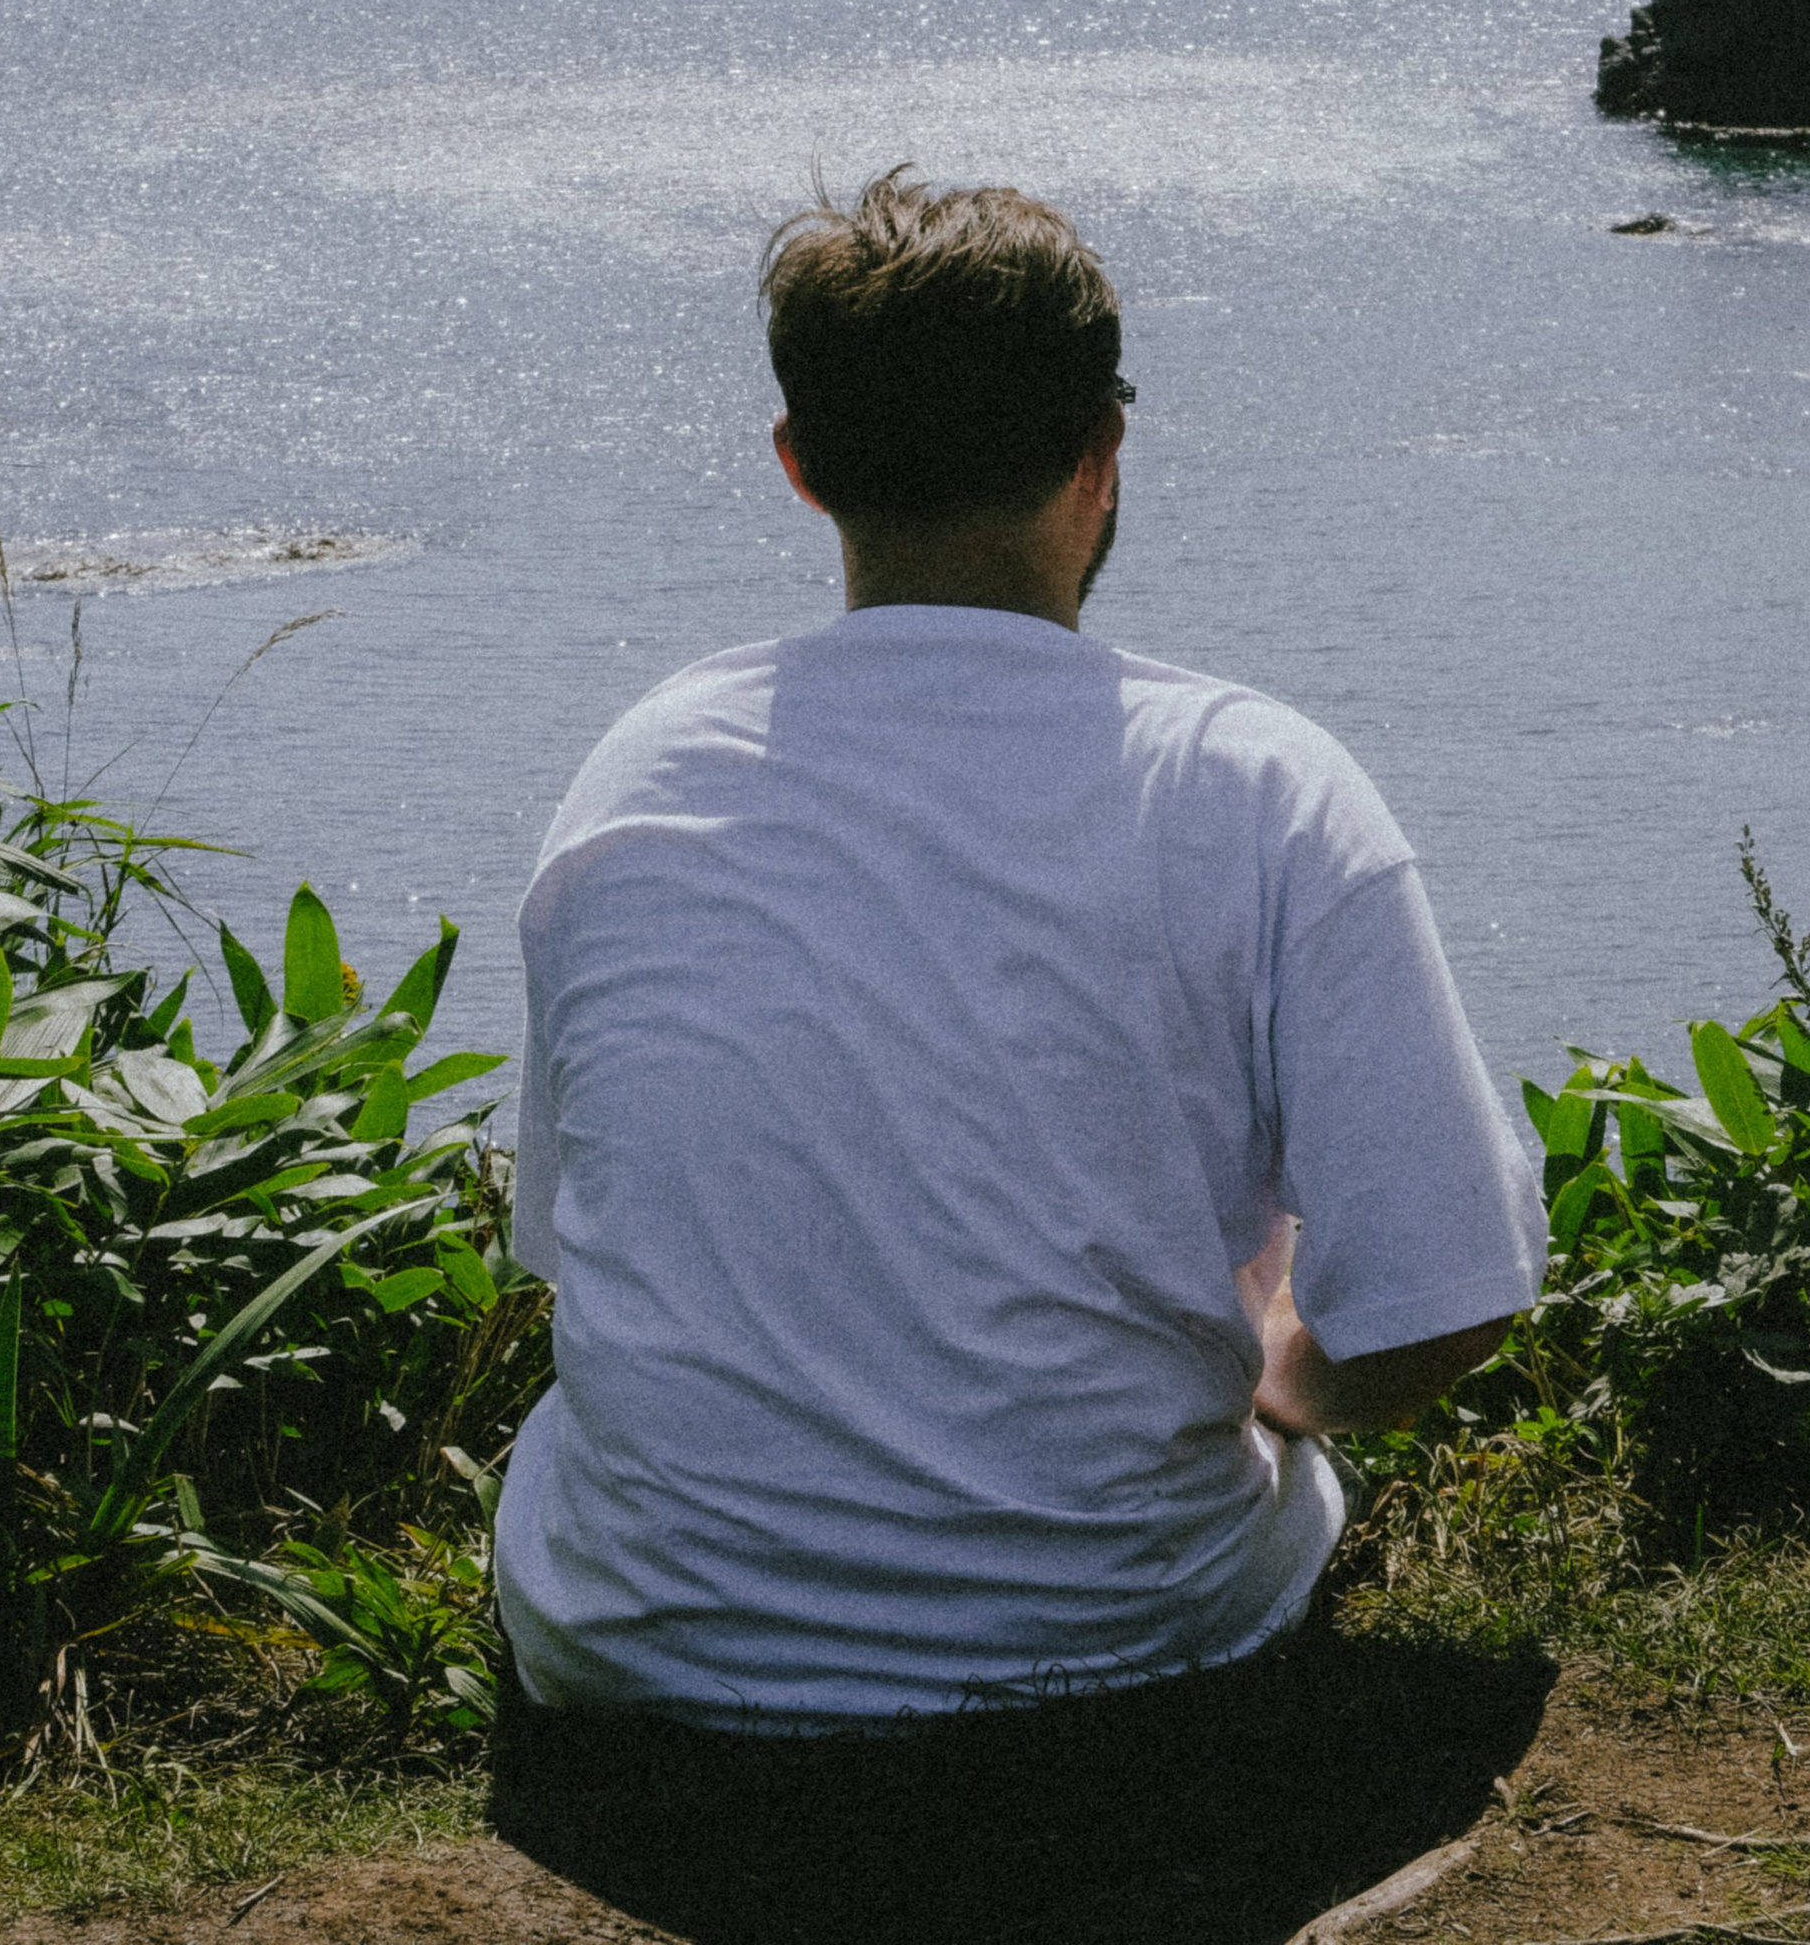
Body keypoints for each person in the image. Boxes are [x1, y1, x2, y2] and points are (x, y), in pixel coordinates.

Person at [491, 171, 1544, 1929]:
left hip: (646, 1663)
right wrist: (1289, 1381)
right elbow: (1449, 1291)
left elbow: (572, 1243)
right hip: (1127, 1660)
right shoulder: (1255, 786)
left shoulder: (642, 770)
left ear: (801, 464)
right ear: (1103, 455)